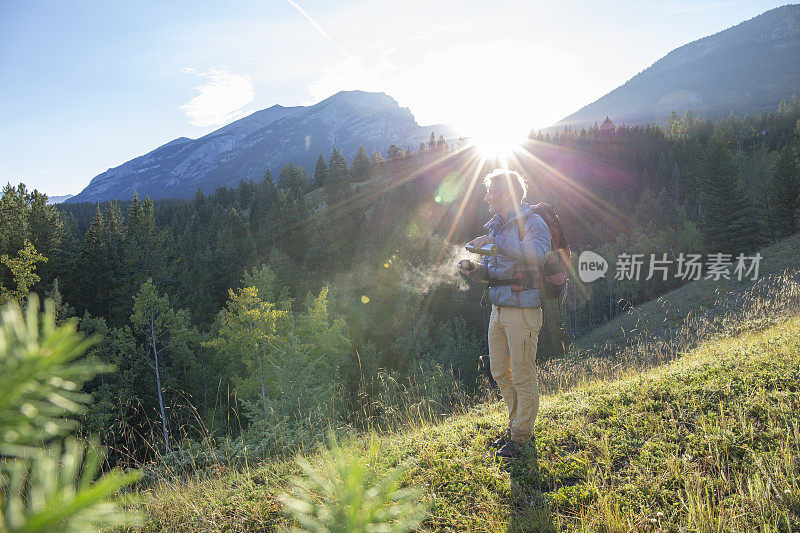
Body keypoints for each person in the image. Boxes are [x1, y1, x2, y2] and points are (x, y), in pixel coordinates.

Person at [459, 169, 551, 459]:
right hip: (499, 309)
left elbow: (537, 253)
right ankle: (515, 427)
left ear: (506, 195)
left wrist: (496, 244)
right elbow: (498, 273)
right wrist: (475, 271)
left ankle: (521, 437)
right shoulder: (497, 228)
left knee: (522, 375)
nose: (486, 198)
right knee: (500, 371)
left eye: (491, 192)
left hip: (522, 310)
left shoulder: (533, 223)